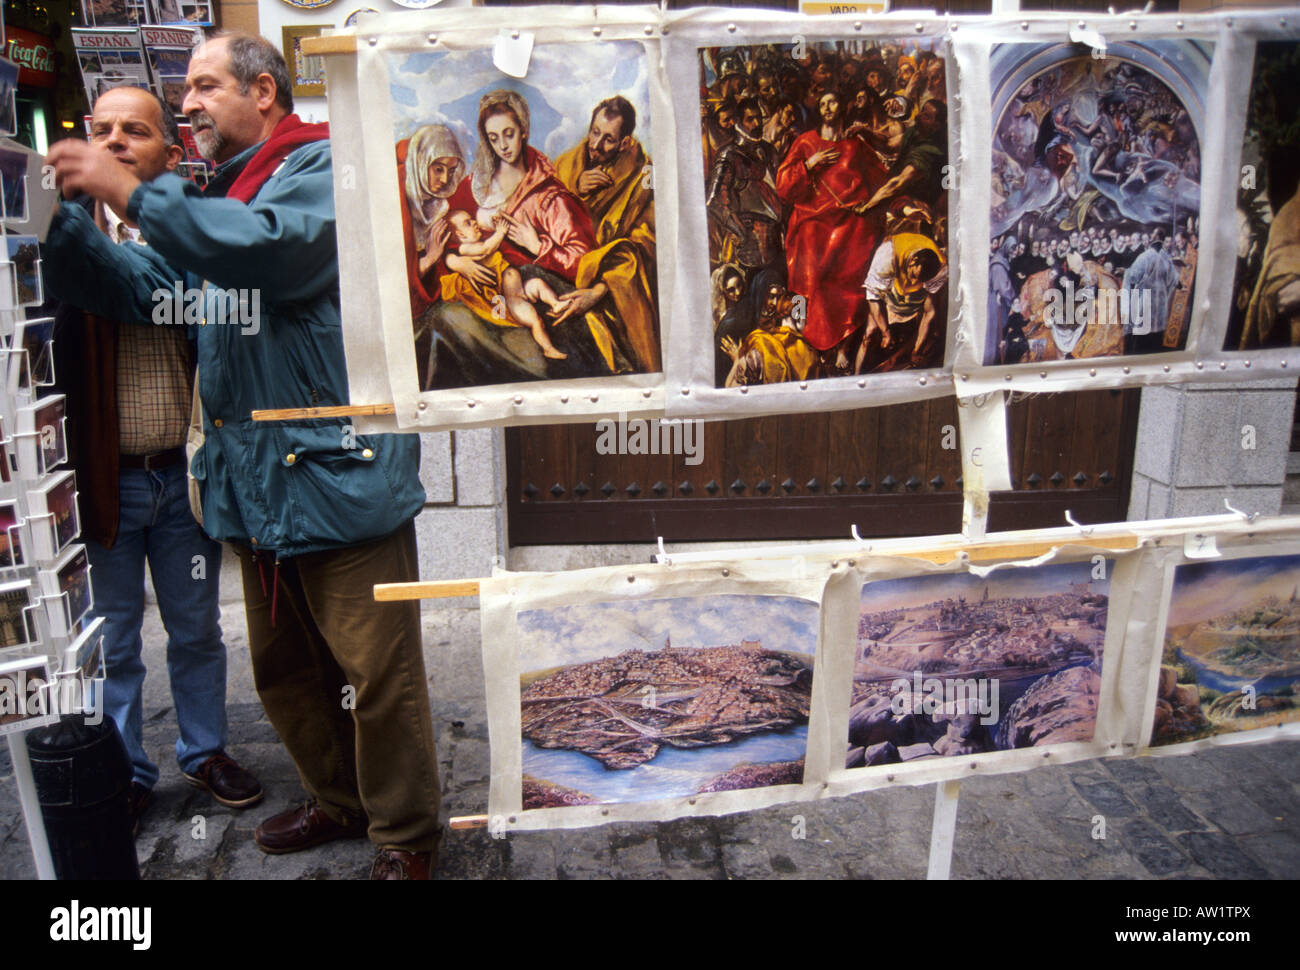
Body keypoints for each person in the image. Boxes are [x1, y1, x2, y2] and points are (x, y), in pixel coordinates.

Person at [45, 32, 441, 880]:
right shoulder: (219, 198)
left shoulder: (324, 171)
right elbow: (134, 289)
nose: (187, 105)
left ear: (264, 92)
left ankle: (406, 837)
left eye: (203, 86)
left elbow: (268, 250)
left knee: (378, 680)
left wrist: (138, 195)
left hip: (341, 477)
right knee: (289, 676)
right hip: (255, 488)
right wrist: (69, 213)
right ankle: (338, 801)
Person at [50, 85, 263, 837]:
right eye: (100, 130)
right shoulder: (63, 240)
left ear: (168, 154)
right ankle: (127, 769)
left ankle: (204, 752)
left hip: (181, 475)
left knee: (196, 627)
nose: (113, 143)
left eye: (133, 132)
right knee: (112, 640)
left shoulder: (188, 240)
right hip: (103, 481)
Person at [775, 89, 887, 371]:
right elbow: (784, 185)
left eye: (833, 101)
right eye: (822, 103)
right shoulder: (806, 142)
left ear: (842, 106)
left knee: (848, 281)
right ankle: (805, 339)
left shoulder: (855, 146)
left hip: (850, 225)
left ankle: (843, 347)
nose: (827, 107)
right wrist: (808, 165)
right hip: (812, 223)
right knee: (811, 276)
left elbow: (880, 180)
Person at [552, 95, 661, 373]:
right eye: (595, 132)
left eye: (608, 139)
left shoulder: (643, 178)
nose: (596, 145)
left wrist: (596, 293)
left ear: (625, 143)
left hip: (610, 292)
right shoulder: (568, 164)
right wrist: (575, 189)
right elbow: (545, 207)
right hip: (561, 266)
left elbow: (642, 252)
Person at [441, 209, 568, 360]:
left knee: (538, 284)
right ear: (461, 235)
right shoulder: (465, 248)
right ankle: (548, 349)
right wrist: (500, 232)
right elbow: (485, 249)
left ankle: (555, 303)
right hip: (512, 299)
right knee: (535, 321)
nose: (474, 222)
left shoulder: (481, 241)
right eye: (468, 223)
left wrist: (497, 226)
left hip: (519, 289)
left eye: (472, 220)